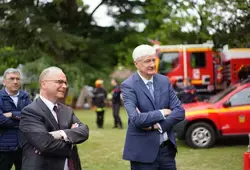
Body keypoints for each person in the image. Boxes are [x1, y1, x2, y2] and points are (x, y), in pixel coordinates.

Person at [121, 44, 185, 170]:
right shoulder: (128, 86)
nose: (152, 64)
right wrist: (162, 112)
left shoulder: (164, 81)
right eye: (147, 61)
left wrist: (159, 126)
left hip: (167, 151)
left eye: (153, 60)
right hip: (143, 154)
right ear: (136, 63)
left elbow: (180, 112)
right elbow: (136, 119)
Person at [19, 66, 89, 170]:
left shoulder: (67, 110)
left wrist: (61, 134)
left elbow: (84, 131)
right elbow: (45, 145)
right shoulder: (30, 112)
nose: (64, 86)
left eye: (65, 83)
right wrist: (71, 138)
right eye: (60, 82)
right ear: (44, 84)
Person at [0, 68, 31, 170]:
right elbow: (1, 120)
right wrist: (20, 120)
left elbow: (30, 116)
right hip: (4, 147)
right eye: (12, 78)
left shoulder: (25, 96)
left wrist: (11, 114)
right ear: (4, 82)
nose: (15, 81)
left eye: (18, 79)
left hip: (23, 146)